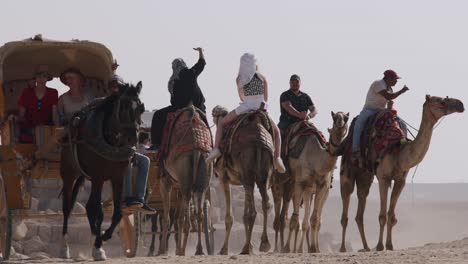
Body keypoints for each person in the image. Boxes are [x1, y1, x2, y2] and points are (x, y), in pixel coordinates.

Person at [206, 53, 286, 173]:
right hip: (261, 107)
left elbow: (242, 97)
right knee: (277, 131)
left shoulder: (240, 79)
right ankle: (277, 158)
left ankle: (216, 149)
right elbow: (266, 98)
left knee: (222, 124)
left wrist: (249, 101)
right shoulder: (262, 78)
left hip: (246, 107)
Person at [150, 47, 207, 150]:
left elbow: (173, 100)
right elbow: (202, 63)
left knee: (157, 115)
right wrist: (201, 52)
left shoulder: (173, 81)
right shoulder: (191, 72)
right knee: (206, 123)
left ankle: (156, 144)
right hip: (199, 107)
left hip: (179, 108)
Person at [351, 69, 409, 159]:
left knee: (402, 124)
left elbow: (389, 100)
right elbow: (388, 96)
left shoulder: (389, 88)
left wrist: (390, 108)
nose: (396, 81)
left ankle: (403, 144)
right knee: (358, 125)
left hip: (382, 111)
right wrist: (401, 91)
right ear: (388, 78)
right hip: (369, 110)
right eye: (395, 79)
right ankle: (355, 150)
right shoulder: (378, 84)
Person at [16, 66, 58, 143]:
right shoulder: (26, 92)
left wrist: (57, 129)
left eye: (44, 76)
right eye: (39, 76)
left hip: (47, 128)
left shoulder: (53, 92)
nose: (41, 79)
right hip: (29, 128)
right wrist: (14, 118)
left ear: (47, 78)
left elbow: (54, 113)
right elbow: (21, 114)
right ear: (35, 78)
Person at [124, 130, 156, 214]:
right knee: (128, 159)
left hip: (130, 151)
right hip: (119, 150)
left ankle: (140, 199)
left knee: (145, 160)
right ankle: (128, 198)